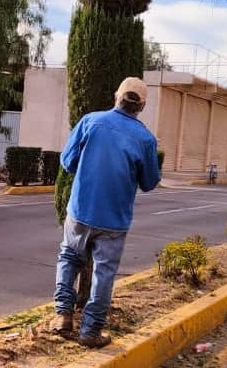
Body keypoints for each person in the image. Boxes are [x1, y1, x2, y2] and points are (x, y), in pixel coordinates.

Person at [51, 77, 161, 348]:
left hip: (81, 209)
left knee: (69, 257)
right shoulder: (145, 138)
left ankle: (63, 316)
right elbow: (149, 183)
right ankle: (90, 331)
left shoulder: (90, 121)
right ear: (142, 106)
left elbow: (67, 162)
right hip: (114, 219)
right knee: (104, 273)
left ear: (116, 96)